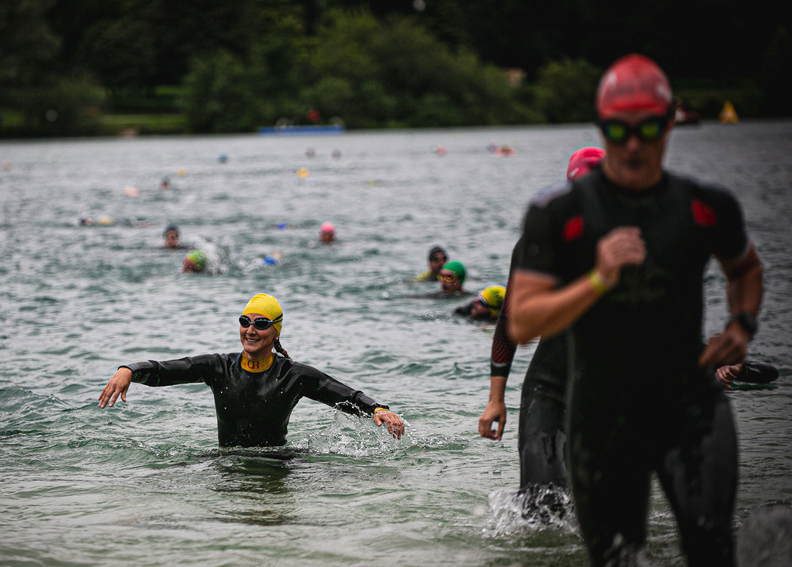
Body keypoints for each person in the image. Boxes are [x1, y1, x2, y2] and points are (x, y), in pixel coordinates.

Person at [508, 54, 763, 567]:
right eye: (619, 130)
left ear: (670, 124)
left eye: (647, 127)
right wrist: (596, 280)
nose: (633, 144)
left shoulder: (706, 205)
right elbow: (520, 322)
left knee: (711, 565)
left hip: (690, 410)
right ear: (602, 129)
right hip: (602, 418)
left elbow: (746, 267)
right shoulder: (559, 214)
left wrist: (742, 322)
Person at [98, 293, 404, 448]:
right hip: (227, 461)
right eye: (245, 322)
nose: (251, 330)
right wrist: (130, 369)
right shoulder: (218, 367)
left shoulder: (293, 375)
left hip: (277, 462)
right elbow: (168, 370)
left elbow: (342, 394)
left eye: (261, 324)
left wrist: (377, 409)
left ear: (275, 332)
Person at [478, 147, 604, 511]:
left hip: (610, 387)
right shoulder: (541, 243)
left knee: (602, 502)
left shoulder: (634, 243)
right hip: (549, 385)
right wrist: (495, 397)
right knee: (540, 503)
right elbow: (508, 321)